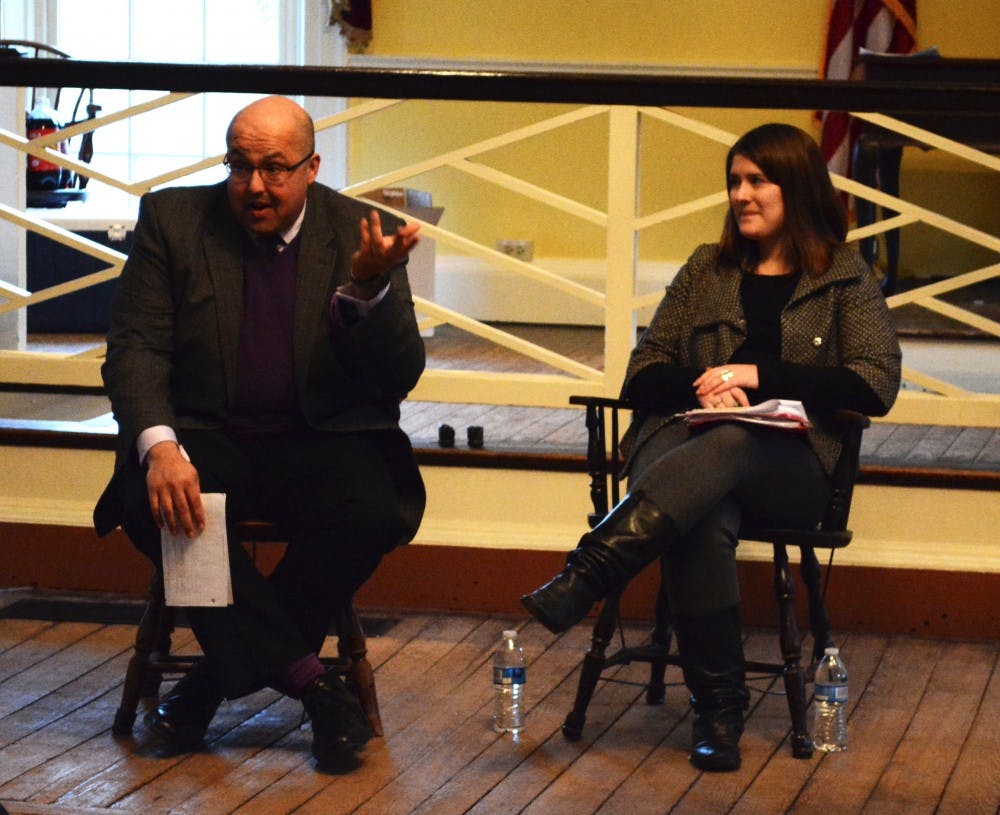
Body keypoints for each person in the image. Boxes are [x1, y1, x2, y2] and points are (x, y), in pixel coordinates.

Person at [521, 123, 901, 772]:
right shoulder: (706, 268)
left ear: (799, 187)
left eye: (758, 180)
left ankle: (590, 571)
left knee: (734, 439)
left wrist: (759, 379)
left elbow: (874, 383)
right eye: (734, 181)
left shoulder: (844, 275)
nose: (742, 194)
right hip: (679, 444)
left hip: (788, 464)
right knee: (699, 520)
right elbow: (643, 374)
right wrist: (705, 386)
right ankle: (717, 715)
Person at [93, 96, 426, 772]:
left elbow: (401, 374)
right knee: (149, 501)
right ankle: (317, 689)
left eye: (275, 169)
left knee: (370, 508)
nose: (254, 186)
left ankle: (206, 689)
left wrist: (368, 292)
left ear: (312, 167)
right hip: (206, 433)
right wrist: (160, 447)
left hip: (318, 435)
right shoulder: (175, 221)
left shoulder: (358, 231)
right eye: (240, 166)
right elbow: (134, 349)